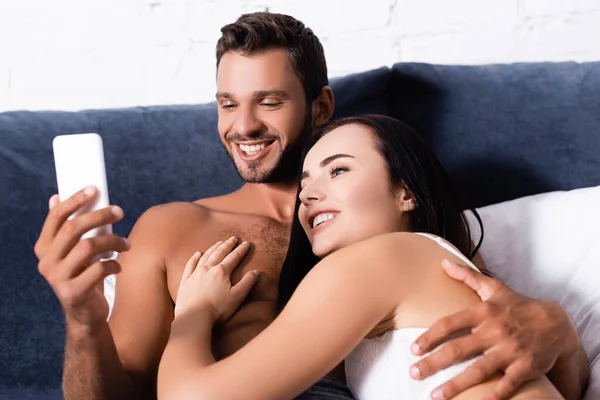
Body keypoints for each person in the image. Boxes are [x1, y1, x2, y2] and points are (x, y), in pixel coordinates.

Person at [33, 12, 589, 400]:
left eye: (268, 102)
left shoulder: (386, 237)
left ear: (321, 104)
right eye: (228, 104)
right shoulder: (177, 228)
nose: (243, 125)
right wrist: (83, 322)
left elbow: (497, 341)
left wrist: (557, 329)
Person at [156, 114, 566, 400]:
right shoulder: (434, 265)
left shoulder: (379, 259)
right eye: (306, 183)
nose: (309, 194)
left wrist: (194, 314)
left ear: (406, 193)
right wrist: (562, 336)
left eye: (338, 171)